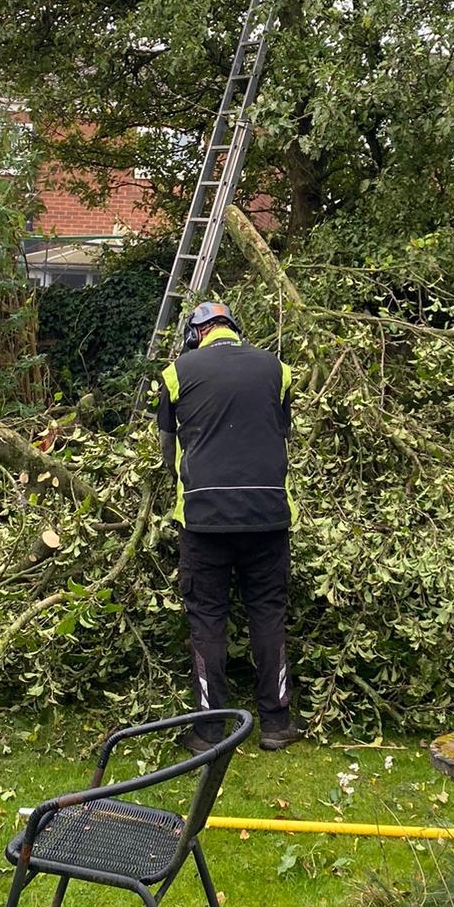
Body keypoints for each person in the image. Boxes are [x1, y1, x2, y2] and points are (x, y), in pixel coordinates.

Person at [157, 300, 300, 751]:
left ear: (196, 333)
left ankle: (209, 730)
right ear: (232, 329)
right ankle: (276, 724)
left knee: (207, 619)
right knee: (268, 613)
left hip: (203, 521)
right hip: (268, 516)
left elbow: (168, 450)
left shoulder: (176, 373)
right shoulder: (278, 369)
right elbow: (282, 434)